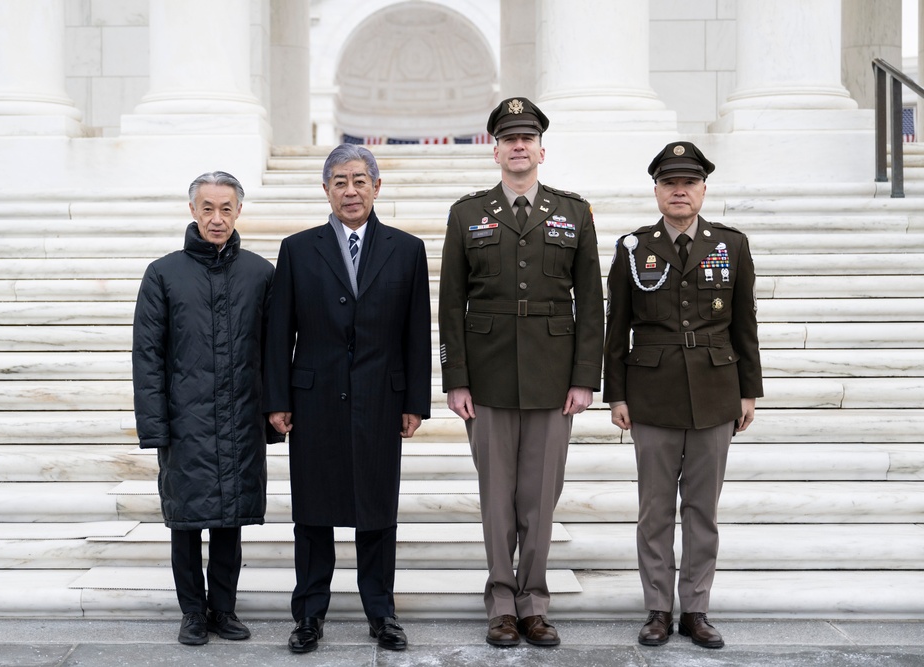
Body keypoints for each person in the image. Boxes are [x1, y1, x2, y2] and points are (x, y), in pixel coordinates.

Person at [438, 98, 604, 648]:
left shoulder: (574, 213)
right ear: (495, 148)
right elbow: (451, 302)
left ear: (540, 148)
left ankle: (534, 603)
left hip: (554, 379)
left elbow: (591, 302)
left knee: (539, 497)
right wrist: (455, 378)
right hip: (485, 379)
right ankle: (501, 603)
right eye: (509, 138)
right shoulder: (467, 214)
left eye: (527, 137)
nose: (518, 146)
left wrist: (585, 376)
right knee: (496, 498)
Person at [263, 143, 432, 654]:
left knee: (377, 511)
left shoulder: (406, 249)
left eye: (360, 180)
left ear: (376, 187)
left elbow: (416, 332)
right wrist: (276, 398)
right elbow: (278, 333)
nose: (350, 190)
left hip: (381, 399)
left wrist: (416, 402)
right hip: (312, 401)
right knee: (313, 513)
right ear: (326, 190)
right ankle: (309, 615)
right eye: (340, 181)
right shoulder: (297, 249)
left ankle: (381, 612)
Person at [603, 142, 763, 650]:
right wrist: (617, 394)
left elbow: (745, 322)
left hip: (717, 391)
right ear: (656, 190)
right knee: (654, 509)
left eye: (688, 182)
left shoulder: (730, 245)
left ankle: (695, 608)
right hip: (650, 393)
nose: (679, 190)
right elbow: (617, 327)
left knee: (702, 510)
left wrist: (749, 392)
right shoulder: (632, 246)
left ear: (703, 189)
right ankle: (657, 608)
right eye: (670, 183)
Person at [132, 171, 275, 645]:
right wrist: (155, 427)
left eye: (226, 209)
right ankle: (193, 612)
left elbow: (275, 350)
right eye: (208, 208)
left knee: (230, 520)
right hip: (184, 422)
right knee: (187, 523)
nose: (217, 218)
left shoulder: (259, 273)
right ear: (193, 210)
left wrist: (274, 415)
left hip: (241, 417)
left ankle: (224, 609)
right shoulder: (163, 273)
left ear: (239, 212)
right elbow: (147, 355)